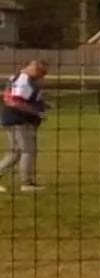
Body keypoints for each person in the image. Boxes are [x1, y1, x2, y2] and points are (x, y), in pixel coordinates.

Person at [0, 60, 50, 194]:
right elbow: (15, 101)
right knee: (28, 150)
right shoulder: (23, 80)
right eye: (42, 73)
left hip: (12, 119)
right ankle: (27, 183)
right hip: (19, 121)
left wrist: (42, 105)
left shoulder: (18, 77)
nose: (42, 77)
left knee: (15, 153)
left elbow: (14, 97)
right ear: (35, 69)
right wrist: (37, 112)